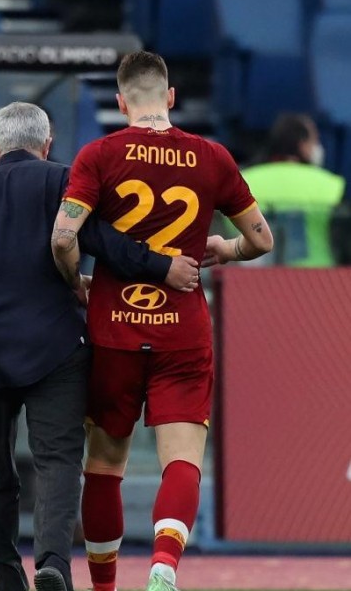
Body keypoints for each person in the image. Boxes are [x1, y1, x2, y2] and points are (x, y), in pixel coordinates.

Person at [0, 101, 200, 591]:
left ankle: (5, 574)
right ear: (48, 144)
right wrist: (160, 266)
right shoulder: (65, 182)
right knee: (58, 460)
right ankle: (54, 564)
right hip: (57, 345)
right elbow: (106, 240)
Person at [49, 51, 274, 591]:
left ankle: (104, 586)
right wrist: (225, 247)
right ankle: (163, 567)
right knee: (183, 460)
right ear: (170, 97)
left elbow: (63, 236)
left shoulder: (99, 155)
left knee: (104, 463)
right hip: (183, 331)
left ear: (122, 101)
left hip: (114, 329)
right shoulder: (212, 156)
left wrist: (74, 283)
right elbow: (263, 240)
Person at [236, 113, 344, 266]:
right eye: (314, 141)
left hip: (251, 277)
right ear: (302, 144)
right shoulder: (331, 185)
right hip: (316, 278)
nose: (318, 148)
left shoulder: (243, 181)